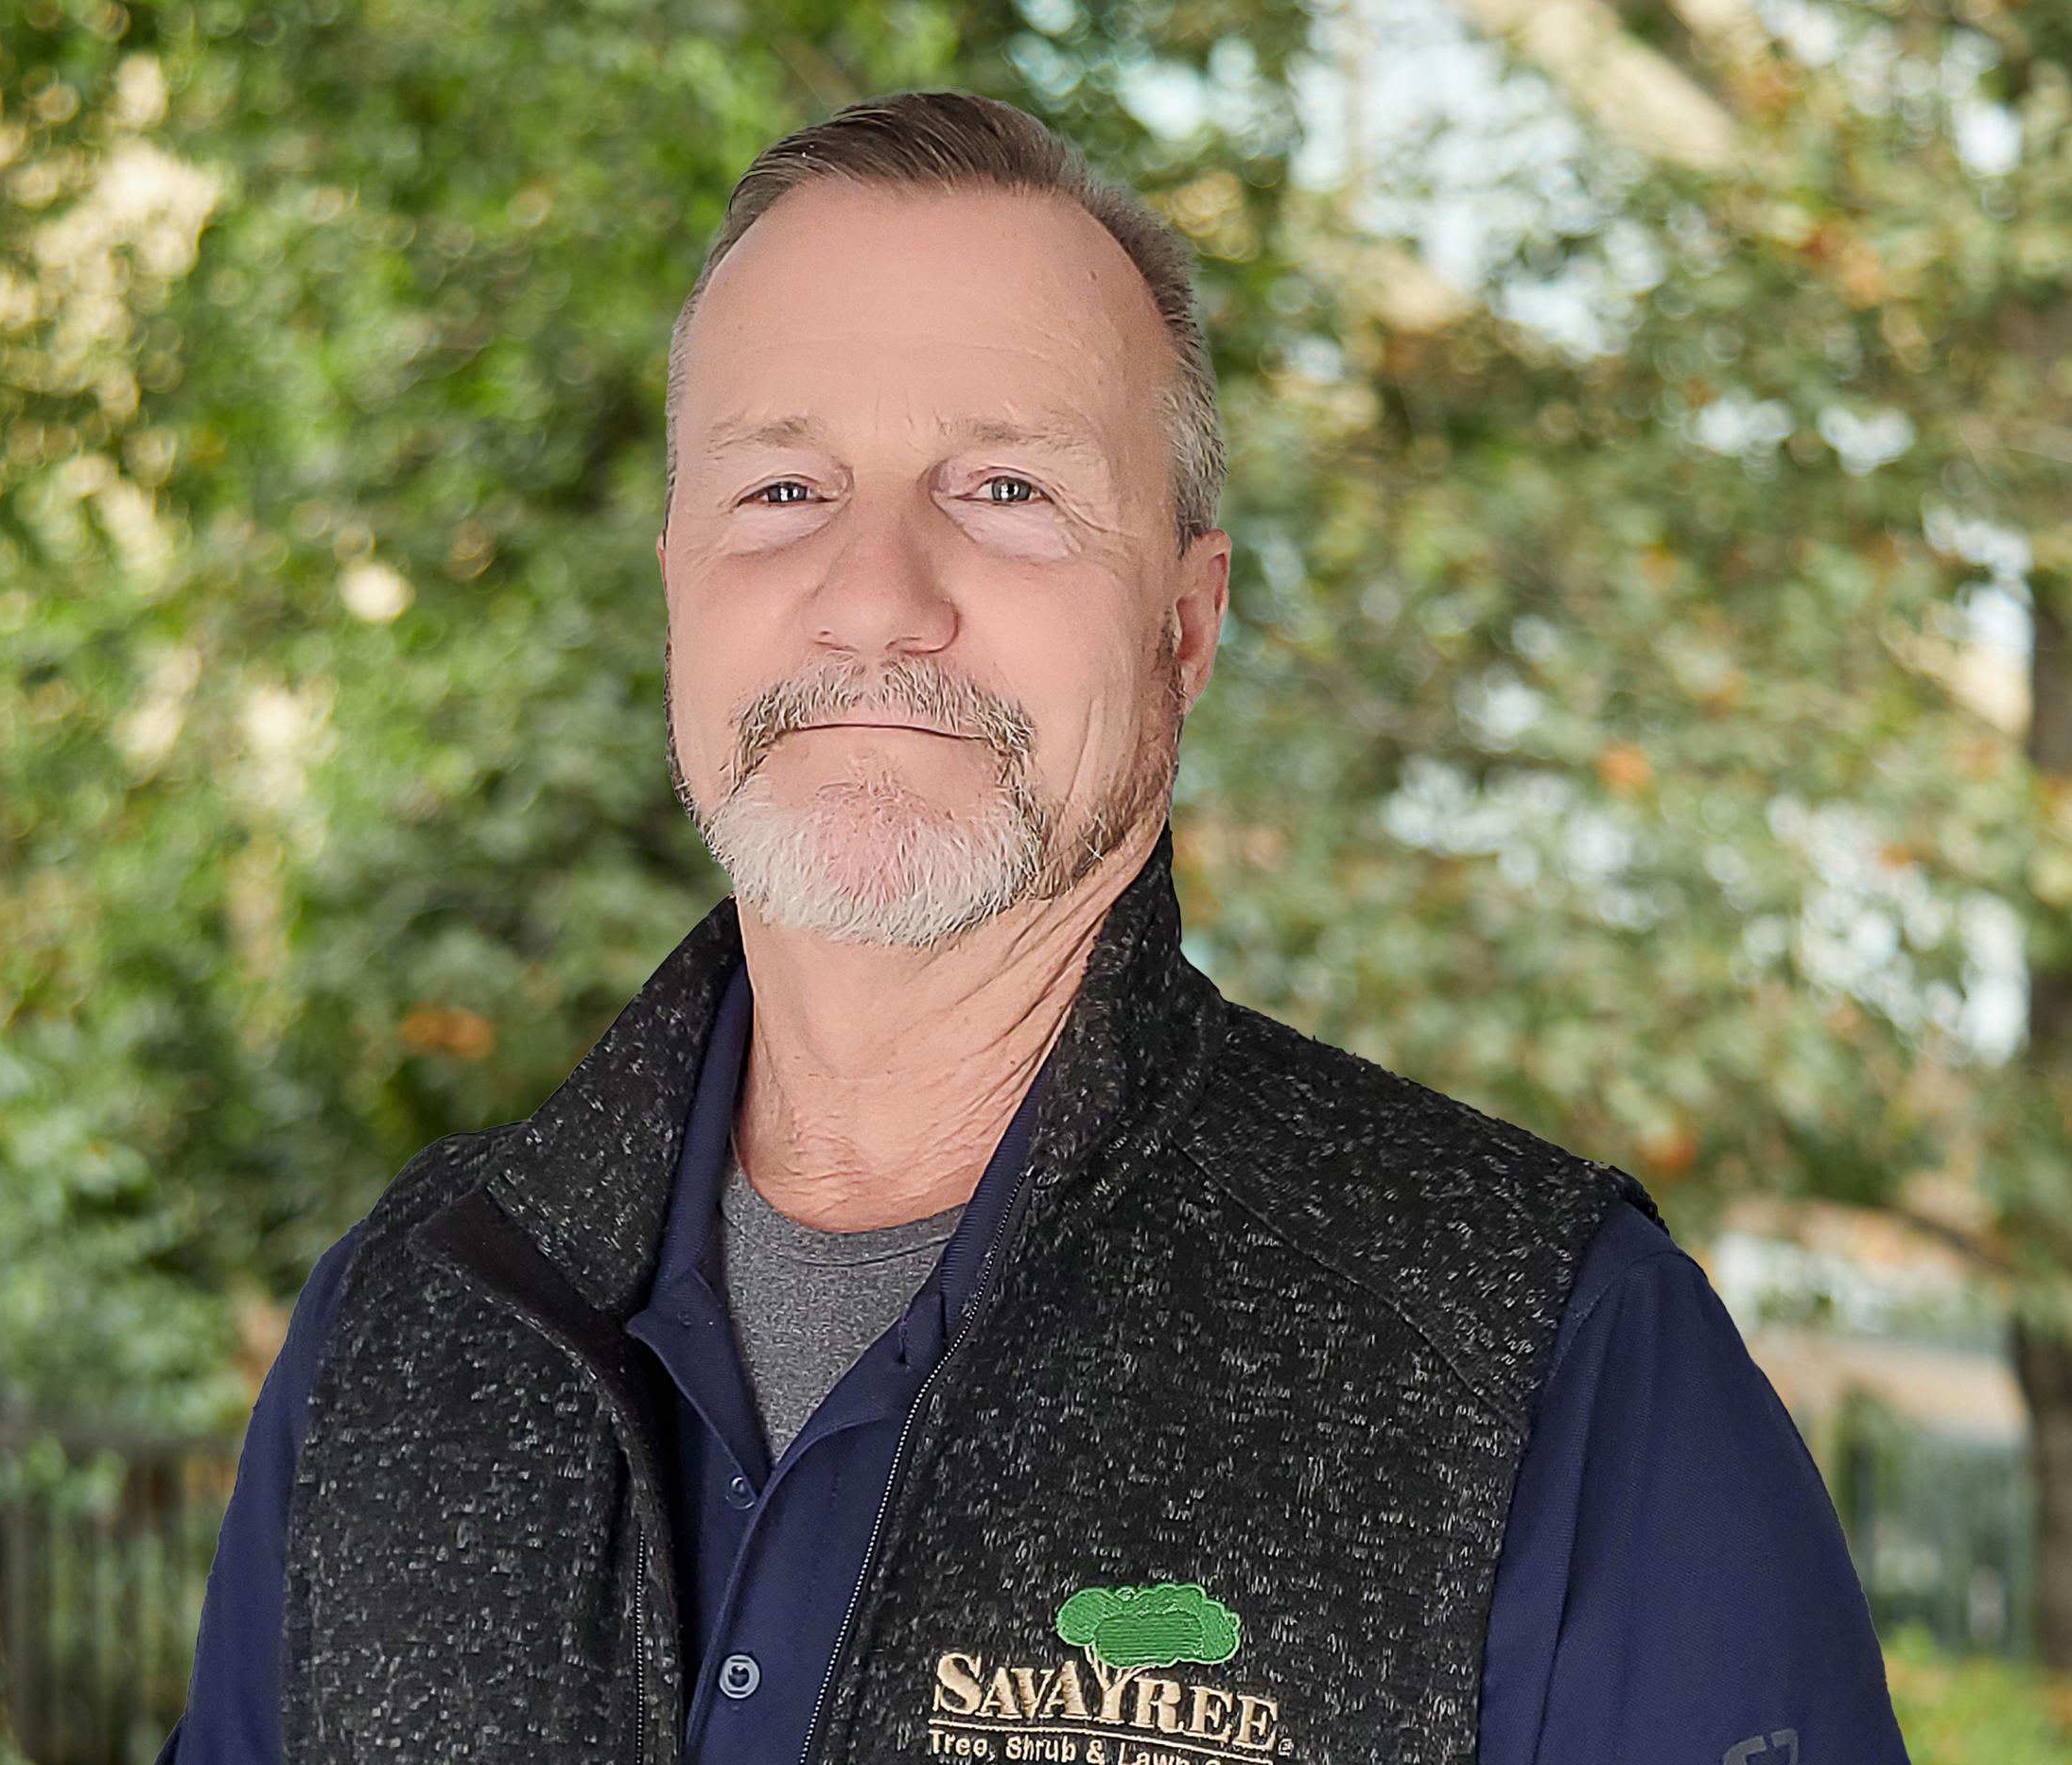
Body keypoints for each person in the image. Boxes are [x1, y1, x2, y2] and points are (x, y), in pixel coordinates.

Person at [159, 89, 1911, 1765]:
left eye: (1006, 489)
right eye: (783, 489)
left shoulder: (1557, 1365)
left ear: (1186, 627)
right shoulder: (407, 1334)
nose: (874, 597)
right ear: (677, 579)